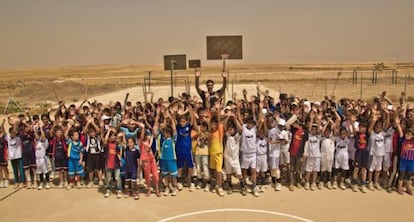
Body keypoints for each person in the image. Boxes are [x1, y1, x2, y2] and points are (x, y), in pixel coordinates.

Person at [223, 112, 244, 195]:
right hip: (227, 157)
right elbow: (224, 127)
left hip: (235, 158)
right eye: (229, 129)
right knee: (228, 173)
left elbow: (241, 129)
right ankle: (230, 186)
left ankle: (243, 186)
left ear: (234, 129)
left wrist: (235, 119)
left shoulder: (237, 136)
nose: (230, 130)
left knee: (239, 173)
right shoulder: (228, 135)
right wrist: (228, 117)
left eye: (231, 129)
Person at [139, 122, 160, 197]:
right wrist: (143, 128)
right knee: (147, 175)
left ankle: (157, 189)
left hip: (151, 158)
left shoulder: (148, 139)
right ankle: (148, 190)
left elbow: (152, 134)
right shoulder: (140, 142)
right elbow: (142, 136)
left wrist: (151, 129)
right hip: (145, 160)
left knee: (155, 174)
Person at [395, 116, 414, 195]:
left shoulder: (413, 141)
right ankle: (399, 188)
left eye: (409, 134)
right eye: (406, 134)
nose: (407, 135)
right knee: (401, 174)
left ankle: (408, 187)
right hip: (403, 160)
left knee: (409, 175)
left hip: (411, 161)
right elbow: (400, 132)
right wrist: (398, 124)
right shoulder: (403, 140)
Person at [83, 119, 104, 187]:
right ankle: (91, 181)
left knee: (99, 168)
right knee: (90, 169)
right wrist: (88, 123)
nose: (92, 134)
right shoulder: (88, 137)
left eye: (93, 132)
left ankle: (100, 180)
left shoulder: (98, 136)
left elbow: (98, 130)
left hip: (97, 154)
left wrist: (93, 123)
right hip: (90, 154)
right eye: (91, 132)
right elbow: (84, 130)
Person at [103, 128, 123, 198]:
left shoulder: (117, 144)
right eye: (112, 136)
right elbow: (105, 140)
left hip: (116, 164)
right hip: (108, 164)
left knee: (117, 178)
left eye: (114, 136)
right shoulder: (107, 145)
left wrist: (120, 160)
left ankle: (119, 190)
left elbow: (118, 153)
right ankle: (108, 189)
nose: (114, 137)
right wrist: (108, 131)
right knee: (108, 178)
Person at [65, 124, 85, 190]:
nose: (77, 136)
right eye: (75, 135)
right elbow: (65, 136)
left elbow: (81, 152)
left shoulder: (80, 143)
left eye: (78, 135)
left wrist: (81, 159)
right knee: (71, 172)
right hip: (71, 160)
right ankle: (71, 182)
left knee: (78, 172)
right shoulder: (70, 142)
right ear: (72, 137)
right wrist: (68, 128)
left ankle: (78, 182)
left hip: (77, 159)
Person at [6, 119, 24, 189]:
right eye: (11, 132)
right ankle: (16, 182)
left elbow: (16, 130)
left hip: (19, 156)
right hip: (12, 157)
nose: (13, 133)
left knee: (21, 169)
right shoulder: (7, 137)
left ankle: (22, 181)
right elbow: (4, 132)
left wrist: (15, 123)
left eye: (14, 132)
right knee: (15, 170)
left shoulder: (18, 138)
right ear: (9, 133)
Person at [193, 122, 210, 191]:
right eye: (201, 127)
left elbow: (207, 137)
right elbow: (195, 126)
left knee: (205, 168)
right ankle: (200, 181)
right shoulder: (198, 133)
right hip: (198, 152)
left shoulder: (208, 134)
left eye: (204, 127)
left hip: (205, 153)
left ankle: (208, 183)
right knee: (198, 168)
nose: (202, 128)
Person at [33, 121, 50, 190]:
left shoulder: (44, 142)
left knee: (45, 171)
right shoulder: (36, 142)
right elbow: (36, 137)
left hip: (43, 158)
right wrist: (35, 129)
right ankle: (41, 183)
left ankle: (47, 182)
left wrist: (41, 127)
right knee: (39, 171)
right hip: (37, 159)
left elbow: (43, 137)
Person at [0, 119, 10, 188]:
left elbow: (5, 132)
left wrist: (2, 124)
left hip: (3, 154)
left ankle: (6, 179)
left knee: (5, 167)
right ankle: (1, 180)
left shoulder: (4, 137)